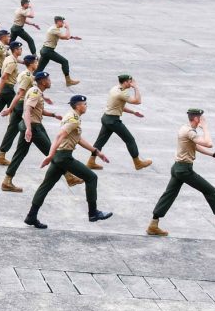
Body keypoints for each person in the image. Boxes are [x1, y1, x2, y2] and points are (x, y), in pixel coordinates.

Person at [147, 109, 215, 236]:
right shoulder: (190, 131)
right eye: (202, 118)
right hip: (184, 170)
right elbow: (209, 143)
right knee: (211, 191)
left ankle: (153, 224)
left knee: (169, 195)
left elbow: (195, 146)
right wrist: (206, 128)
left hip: (177, 168)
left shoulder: (185, 128)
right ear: (197, 119)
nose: (203, 120)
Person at [23, 94, 113, 229]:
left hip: (60, 156)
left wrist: (96, 152)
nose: (86, 106)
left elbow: (78, 138)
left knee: (45, 186)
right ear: (78, 105)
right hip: (64, 157)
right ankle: (93, 213)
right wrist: (49, 155)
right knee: (91, 177)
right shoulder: (73, 119)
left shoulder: (71, 116)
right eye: (85, 104)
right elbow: (60, 136)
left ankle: (31, 216)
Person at [88, 74, 152, 170]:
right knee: (130, 140)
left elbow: (118, 106)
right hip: (113, 121)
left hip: (106, 118)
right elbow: (138, 101)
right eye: (130, 81)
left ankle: (91, 162)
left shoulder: (115, 88)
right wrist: (136, 87)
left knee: (100, 142)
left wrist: (133, 112)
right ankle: (137, 162)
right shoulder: (122, 93)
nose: (132, 83)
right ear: (125, 82)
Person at [36, 16, 81, 87]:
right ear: (58, 22)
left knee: (39, 69)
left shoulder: (55, 28)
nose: (63, 23)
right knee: (64, 61)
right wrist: (68, 28)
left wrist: (72, 37)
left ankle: (31, 81)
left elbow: (63, 37)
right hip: (48, 50)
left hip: (45, 50)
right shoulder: (54, 29)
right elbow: (65, 37)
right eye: (62, 22)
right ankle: (68, 81)